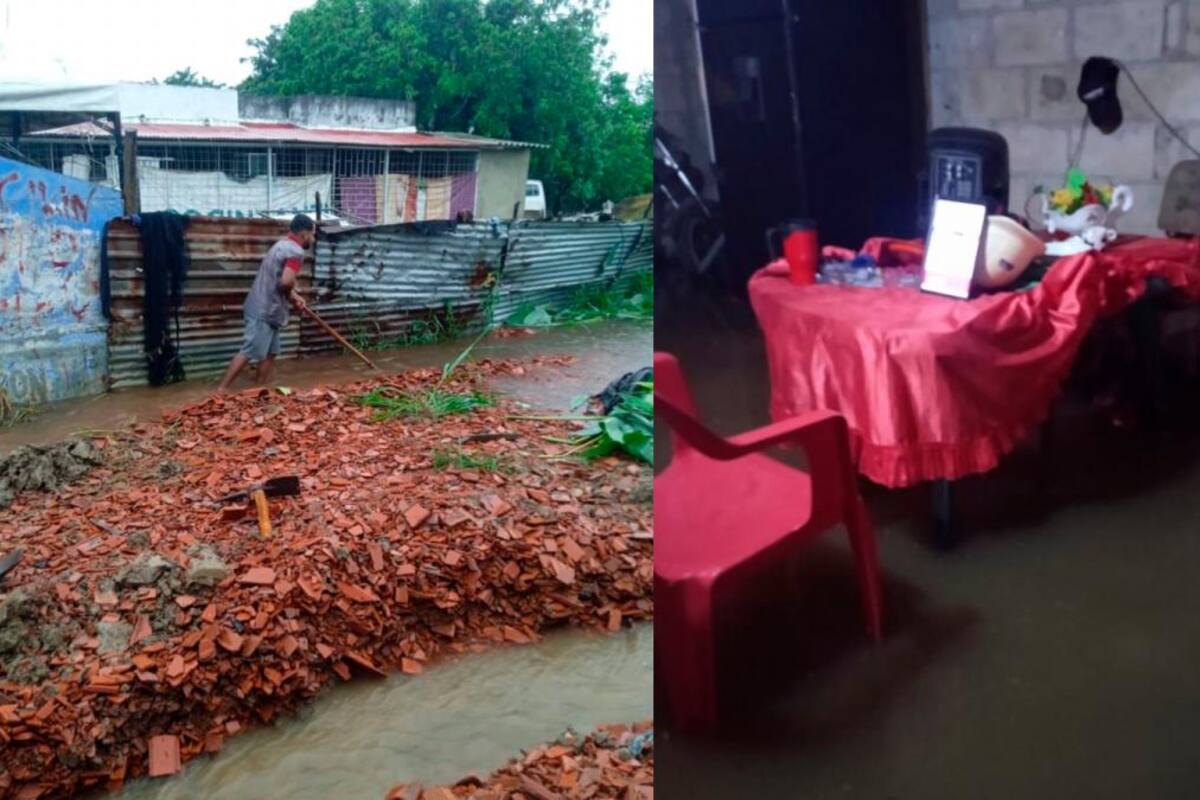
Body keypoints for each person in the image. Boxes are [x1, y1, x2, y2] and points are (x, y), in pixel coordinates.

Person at [215, 214, 314, 393]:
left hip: (267, 307)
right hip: (266, 309)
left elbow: (279, 280)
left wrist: (294, 296)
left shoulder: (279, 246)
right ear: (304, 233)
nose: (312, 239)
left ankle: (259, 388)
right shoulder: (296, 252)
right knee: (249, 350)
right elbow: (285, 282)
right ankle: (221, 390)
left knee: (271, 351)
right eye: (312, 234)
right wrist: (293, 295)